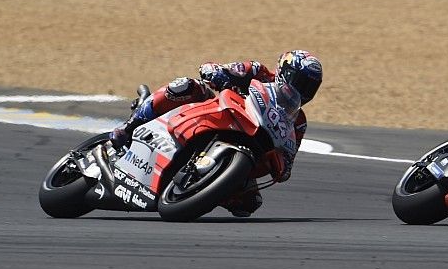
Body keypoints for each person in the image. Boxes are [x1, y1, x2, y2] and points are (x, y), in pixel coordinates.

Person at [109, 50, 323, 217]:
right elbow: (215, 69)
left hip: (252, 144)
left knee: (249, 205)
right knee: (185, 86)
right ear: (285, 72)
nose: (303, 90)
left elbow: (288, 164)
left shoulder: (299, 122)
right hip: (221, 114)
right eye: (301, 82)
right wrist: (217, 73)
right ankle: (129, 126)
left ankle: (199, 188)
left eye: (310, 87)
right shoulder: (258, 72)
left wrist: (281, 164)